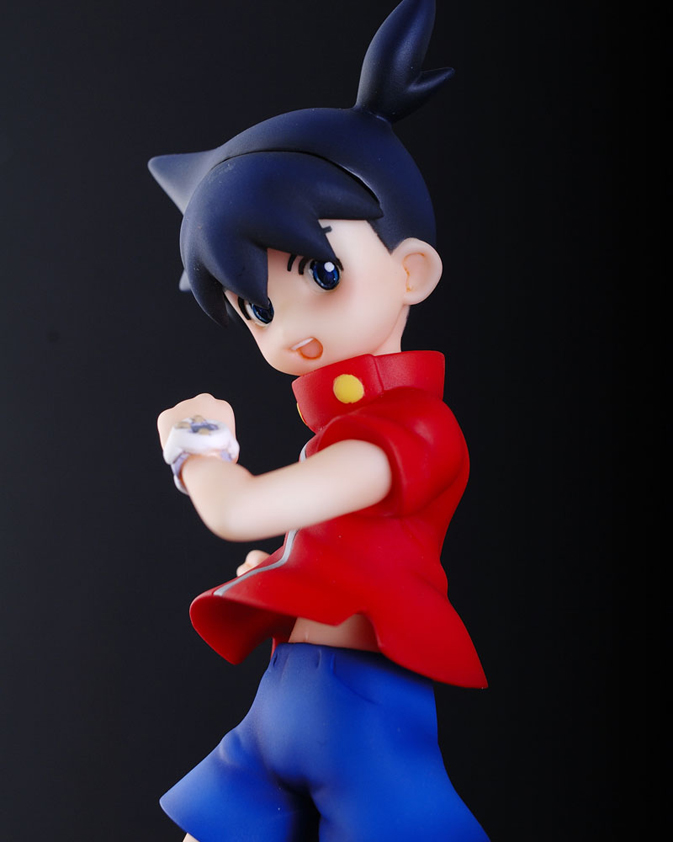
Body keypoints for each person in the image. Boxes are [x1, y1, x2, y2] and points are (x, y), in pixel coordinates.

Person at [151, 2, 490, 839]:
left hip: (361, 721)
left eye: (322, 273)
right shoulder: (341, 432)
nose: (289, 328)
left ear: (411, 271)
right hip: (278, 710)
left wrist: (198, 450)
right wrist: (290, 567)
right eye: (257, 308)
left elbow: (242, 507)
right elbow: (325, 534)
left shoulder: (413, 432)